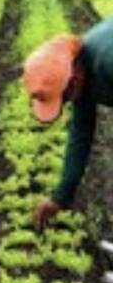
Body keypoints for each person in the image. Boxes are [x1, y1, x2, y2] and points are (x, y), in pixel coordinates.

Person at [24, 19, 113, 230]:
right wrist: (60, 196)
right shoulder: (79, 68)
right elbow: (81, 131)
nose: (69, 102)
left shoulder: (106, 61)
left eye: (66, 97)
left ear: (74, 78)